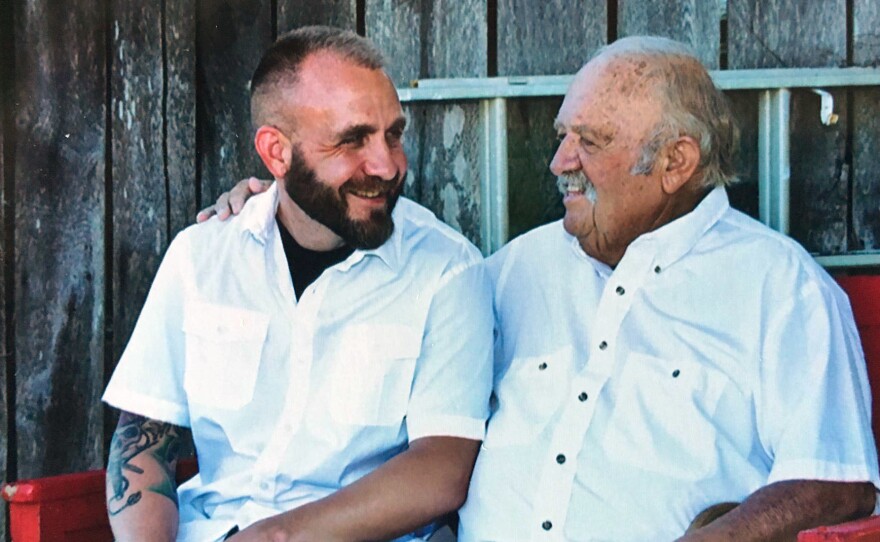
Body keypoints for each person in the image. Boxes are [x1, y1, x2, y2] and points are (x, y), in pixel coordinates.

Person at [204, 36, 880, 541]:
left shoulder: (780, 286)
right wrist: (282, 208)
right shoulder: (506, 272)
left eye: (592, 141)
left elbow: (839, 480)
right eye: (563, 136)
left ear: (677, 162)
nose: (560, 162)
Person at [103, 26, 492, 542]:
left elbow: (440, 471)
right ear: (277, 152)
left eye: (393, 134)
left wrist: (275, 537)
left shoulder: (448, 271)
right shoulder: (202, 256)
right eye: (353, 139)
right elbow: (144, 439)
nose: (388, 164)